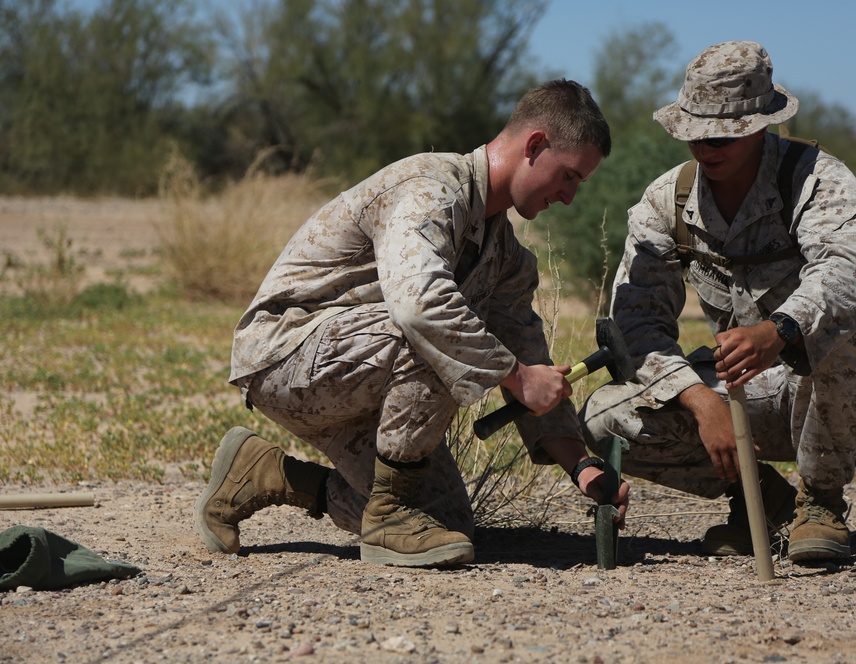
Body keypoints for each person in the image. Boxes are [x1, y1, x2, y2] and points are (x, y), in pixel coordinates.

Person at [195, 79, 630, 568]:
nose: (570, 197)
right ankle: (389, 514)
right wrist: (516, 377)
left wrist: (583, 466)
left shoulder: (505, 256)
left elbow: (530, 360)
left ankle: (264, 473)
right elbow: (418, 308)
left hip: (358, 373)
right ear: (535, 145)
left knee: (447, 524)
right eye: (569, 176)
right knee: (433, 328)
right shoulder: (430, 189)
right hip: (284, 357)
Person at [580, 41, 856, 563]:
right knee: (608, 414)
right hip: (743, 395)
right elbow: (638, 326)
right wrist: (701, 401)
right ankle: (761, 500)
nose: (705, 148)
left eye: (721, 136)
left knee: (851, 334)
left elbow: (847, 278)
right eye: (694, 135)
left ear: (760, 125)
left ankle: (820, 504)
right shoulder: (666, 202)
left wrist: (779, 331)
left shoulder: (818, 179)